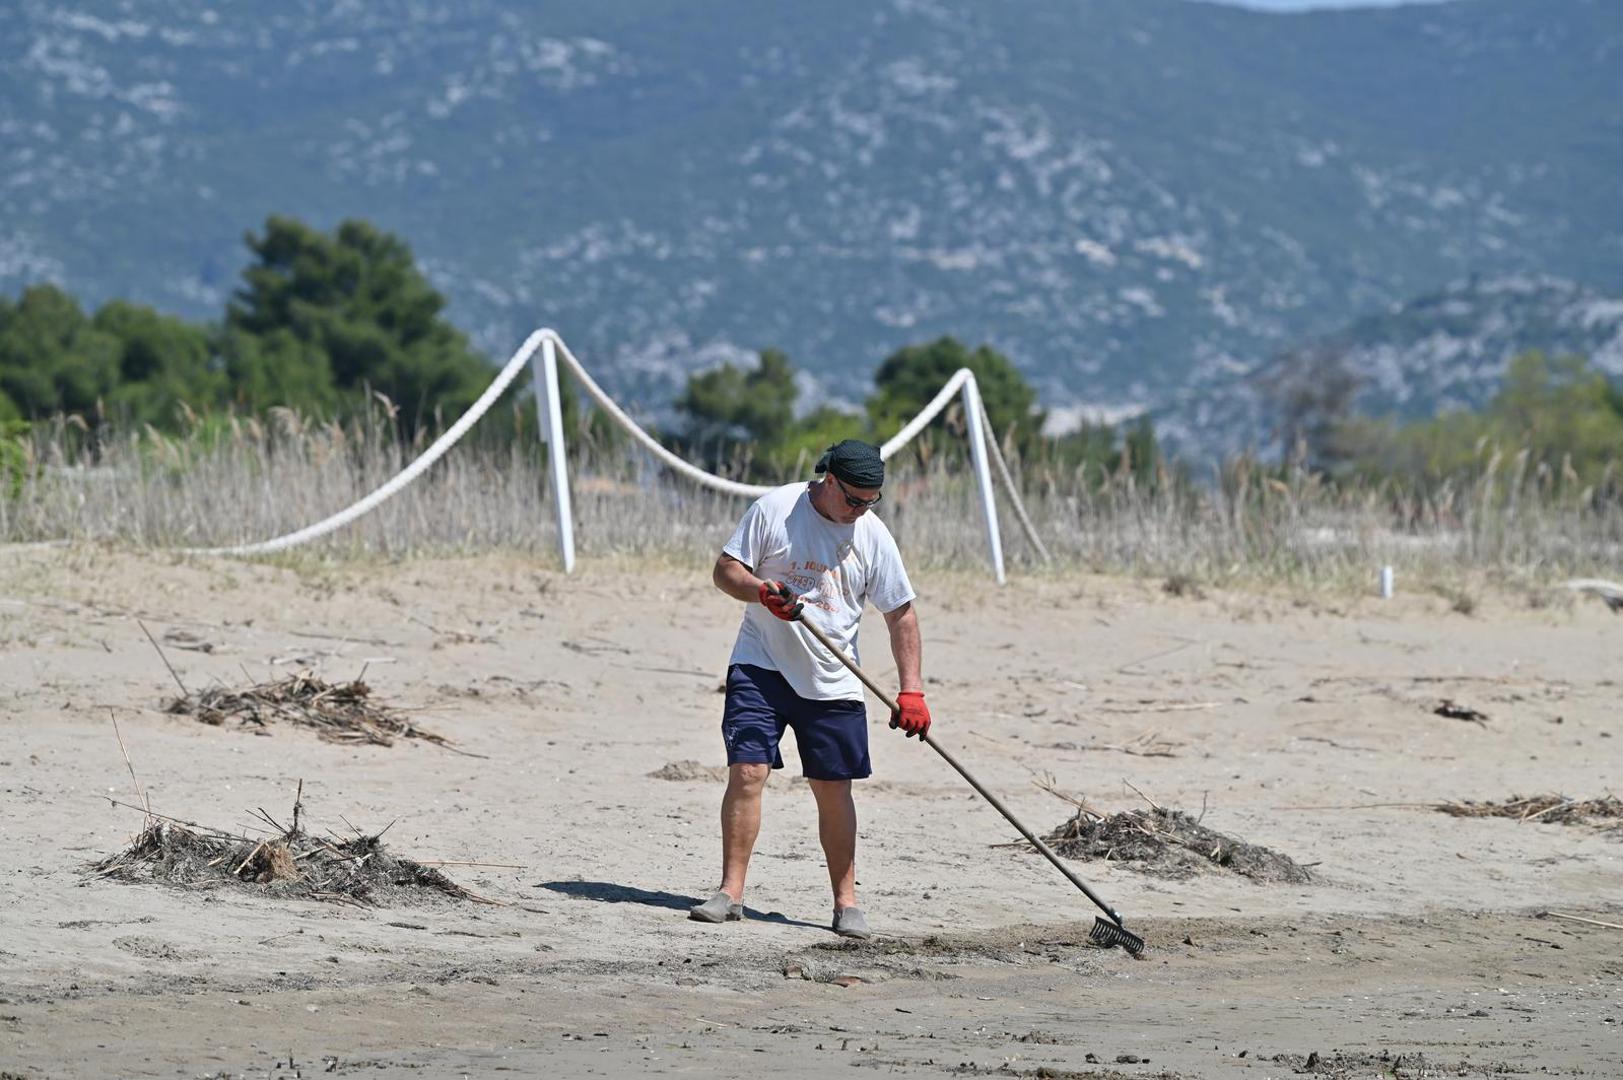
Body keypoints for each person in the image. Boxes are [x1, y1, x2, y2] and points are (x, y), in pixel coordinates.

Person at [689, 439, 931, 940]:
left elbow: (900, 614)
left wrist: (913, 692)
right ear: (828, 481)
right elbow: (725, 571)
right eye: (853, 499)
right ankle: (730, 893)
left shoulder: (874, 536)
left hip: (834, 677)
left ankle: (846, 903)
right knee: (749, 770)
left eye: (871, 501)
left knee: (832, 787)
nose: (861, 510)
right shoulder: (775, 509)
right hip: (762, 663)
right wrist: (761, 592)